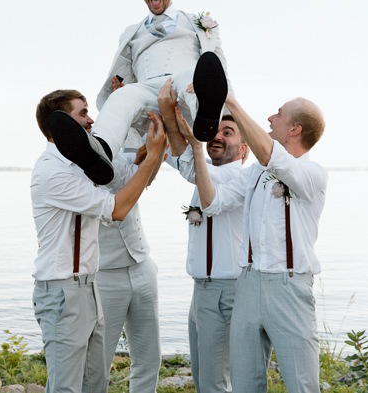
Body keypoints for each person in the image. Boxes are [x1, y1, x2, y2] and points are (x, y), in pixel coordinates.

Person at [172, 92, 327, 393]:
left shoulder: (313, 174)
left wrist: (230, 100)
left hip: (288, 288)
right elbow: (212, 202)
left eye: (279, 114)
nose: (271, 118)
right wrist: (194, 145)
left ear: (295, 129)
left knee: (302, 385)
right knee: (245, 384)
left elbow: (275, 160)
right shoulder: (255, 173)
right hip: (247, 284)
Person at [51, 0, 229, 186]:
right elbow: (126, 72)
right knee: (122, 97)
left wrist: (229, 115)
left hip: (186, 85)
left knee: (193, 79)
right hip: (147, 90)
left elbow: (218, 69)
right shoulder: (131, 33)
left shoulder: (197, 22)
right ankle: (99, 152)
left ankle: (205, 120)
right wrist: (124, 86)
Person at [31, 89, 166, 393]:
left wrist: (148, 151)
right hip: (63, 290)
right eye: (83, 113)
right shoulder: (53, 171)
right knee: (67, 387)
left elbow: (129, 177)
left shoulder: (83, 163)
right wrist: (152, 156)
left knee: (95, 385)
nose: (91, 120)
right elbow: (117, 209)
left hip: (89, 285)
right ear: (62, 123)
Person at [158, 81, 248, 393]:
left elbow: (187, 163)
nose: (217, 137)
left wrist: (173, 118)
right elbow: (173, 154)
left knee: (214, 382)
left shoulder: (238, 176)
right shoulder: (204, 172)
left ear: (245, 148)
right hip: (201, 289)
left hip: (227, 291)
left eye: (228, 133)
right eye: (215, 131)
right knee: (203, 377)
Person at [96, 158, 161, 392]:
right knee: (97, 364)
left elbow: (146, 174)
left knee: (149, 358)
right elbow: (114, 209)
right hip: (104, 274)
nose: (90, 120)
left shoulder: (120, 153)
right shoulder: (73, 162)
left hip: (142, 265)